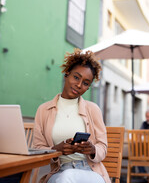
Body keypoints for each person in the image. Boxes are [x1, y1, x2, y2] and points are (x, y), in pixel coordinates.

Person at [33, 49, 111, 183]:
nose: (79, 85)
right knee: (66, 177)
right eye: (76, 77)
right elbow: (37, 149)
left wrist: (92, 149)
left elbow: (102, 147)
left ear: (88, 87)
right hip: (60, 171)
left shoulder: (93, 109)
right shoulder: (44, 110)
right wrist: (56, 150)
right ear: (66, 74)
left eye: (86, 83)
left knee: (69, 177)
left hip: (91, 172)